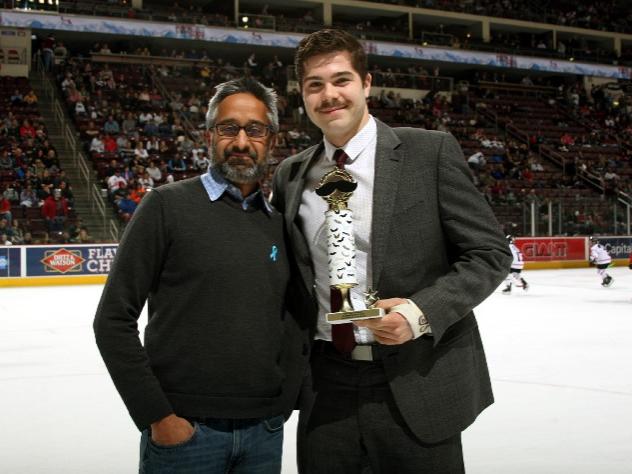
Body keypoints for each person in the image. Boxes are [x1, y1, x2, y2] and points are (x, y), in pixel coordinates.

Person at [272, 29, 511, 473]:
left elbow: (489, 253)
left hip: (415, 378)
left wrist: (418, 314)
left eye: (341, 80)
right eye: (315, 85)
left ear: (366, 84)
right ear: (302, 95)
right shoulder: (290, 174)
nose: (329, 95)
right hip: (328, 386)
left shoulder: (429, 152)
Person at [94, 77, 311, 473]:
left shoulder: (279, 223)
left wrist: (282, 404)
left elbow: (293, 320)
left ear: (272, 140)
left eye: (255, 129)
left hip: (263, 432)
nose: (242, 141)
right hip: (185, 434)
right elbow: (112, 320)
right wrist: (159, 416)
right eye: (229, 128)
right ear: (210, 135)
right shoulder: (165, 206)